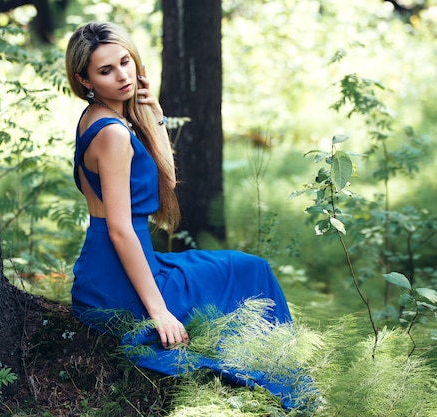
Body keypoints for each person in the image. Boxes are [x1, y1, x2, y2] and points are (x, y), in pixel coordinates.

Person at [64, 22, 307, 408]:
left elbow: (168, 180)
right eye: (105, 70)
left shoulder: (97, 117)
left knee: (246, 268)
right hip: (117, 275)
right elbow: (120, 230)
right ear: (84, 79)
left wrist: (155, 115)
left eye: (125, 62)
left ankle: (279, 372)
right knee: (249, 271)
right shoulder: (112, 134)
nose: (122, 75)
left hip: (120, 263)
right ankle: (287, 382)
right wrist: (158, 311)